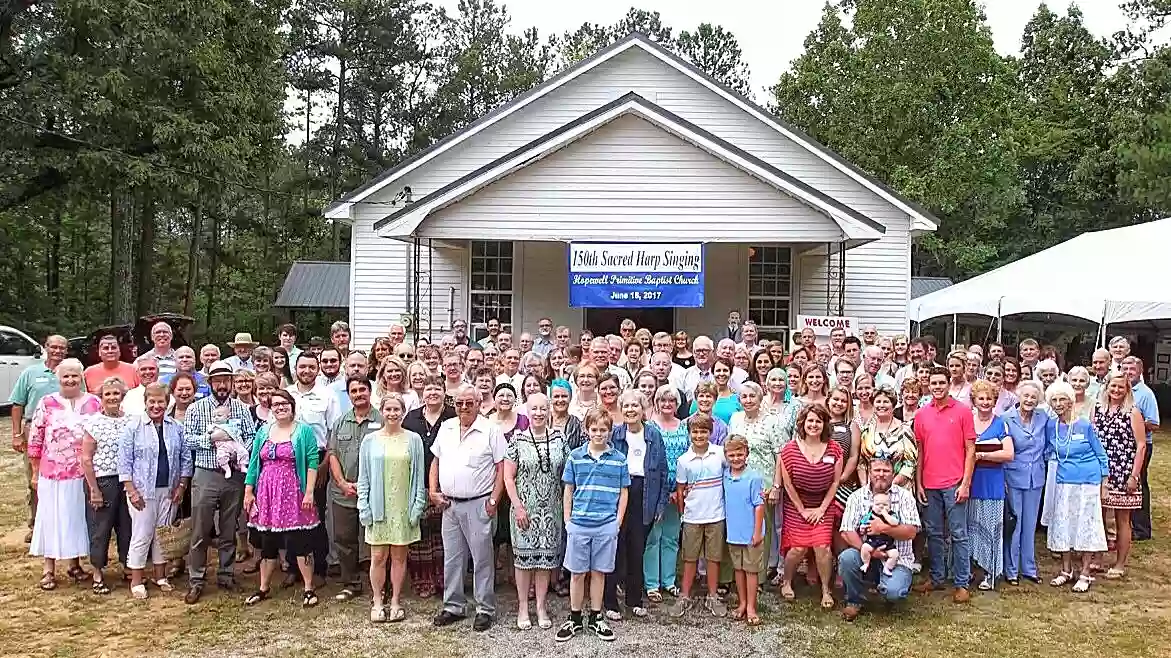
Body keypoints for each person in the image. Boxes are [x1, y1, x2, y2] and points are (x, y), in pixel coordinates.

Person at [430, 384, 507, 632]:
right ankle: (453, 606)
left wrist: (494, 500)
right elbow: (436, 460)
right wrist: (433, 491)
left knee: (482, 559)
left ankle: (485, 608)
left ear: (478, 403)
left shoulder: (490, 430)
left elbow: (501, 467)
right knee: (452, 558)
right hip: (449, 505)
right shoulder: (447, 427)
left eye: (469, 403)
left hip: (478, 503)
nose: (464, 407)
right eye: (459, 403)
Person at [182, 360, 260, 604]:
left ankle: (226, 575)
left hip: (233, 474)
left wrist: (238, 451)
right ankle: (196, 579)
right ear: (211, 383)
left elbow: (251, 436)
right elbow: (188, 439)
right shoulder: (197, 408)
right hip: (206, 472)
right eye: (218, 381)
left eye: (226, 380)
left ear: (232, 382)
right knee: (200, 529)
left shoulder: (240, 408)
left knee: (229, 528)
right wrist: (212, 441)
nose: (222, 385)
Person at [241, 389, 320, 607]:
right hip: (267, 494)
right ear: (271, 408)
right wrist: (249, 491)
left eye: (284, 403)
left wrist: (310, 491)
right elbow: (255, 464)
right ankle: (263, 587)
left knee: (300, 541)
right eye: (276, 404)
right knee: (268, 542)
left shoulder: (304, 431)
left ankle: (308, 588)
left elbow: (312, 462)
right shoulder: (264, 432)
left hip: (294, 492)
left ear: (292, 405)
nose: (280, 407)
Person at [556, 407, 629, 643]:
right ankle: (575, 617)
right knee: (577, 573)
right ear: (586, 431)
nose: (599, 434)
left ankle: (597, 617)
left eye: (604, 430)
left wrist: (617, 522)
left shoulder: (618, 459)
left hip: (606, 524)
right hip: (579, 523)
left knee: (599, 572)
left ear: (610, 431)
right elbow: (569, 489)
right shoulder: (575, 456)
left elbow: (623, 491)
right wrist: (568, 520)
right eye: (594, 429)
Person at [27, 358, 102, 589]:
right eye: (65, 376)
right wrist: (35, 472)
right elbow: (36, 438)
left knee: (76, 519)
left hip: (82, 474)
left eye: (74, 376)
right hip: (52, 473)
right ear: (58, 379)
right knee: (51, 518)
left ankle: (74, 564)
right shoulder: (47, 402)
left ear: (81, 378)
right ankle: (48, 569)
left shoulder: (94, 403)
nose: (70, 380)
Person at [358, 393, 426, 622]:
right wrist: (363, 506)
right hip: (378, 508)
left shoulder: (413, 440)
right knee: (378, 557)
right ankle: (378, 601)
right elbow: (364, 476)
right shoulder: (370, 441)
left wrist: (417, 506)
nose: (392, 414)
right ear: (382, 411)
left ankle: (396, 600)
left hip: (402, 509)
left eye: (397, 409)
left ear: (403, 412)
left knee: (399, 557)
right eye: (388, 409)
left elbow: (418, 476)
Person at [118, 382, 191, 599]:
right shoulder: (133, 427)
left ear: (167, 403)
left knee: (163, 533)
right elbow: (124, 462)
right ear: (145, 403)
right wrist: (131, 490)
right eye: (152, 401)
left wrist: (182, 485)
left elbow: (185, 458)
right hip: (142, 491)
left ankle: (161, 576)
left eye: (161, 401)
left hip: (169, 489)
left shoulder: (175, 427)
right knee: (142, 533)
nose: (156, 406)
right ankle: (137, 579)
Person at [503, 393, 569, 630]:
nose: (539, 413)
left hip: (552, 510)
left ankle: (541, 606)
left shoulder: (559, 438)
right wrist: (518, 506)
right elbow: (508, 478)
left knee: (544, 560)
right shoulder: (517, 440)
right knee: (523, 561)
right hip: (524, 511)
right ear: (527, 411)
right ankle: (523, 607)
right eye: (534, 409)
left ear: (549, 410)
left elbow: (568, 474)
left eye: (543, 408)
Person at [913, 366, 976, 603]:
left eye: (941, 382)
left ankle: (961, 583)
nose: (937, 387)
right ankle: (937, 578)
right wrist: (919, 483)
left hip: (954, 482)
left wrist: (966, 483)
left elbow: (971, 450)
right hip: (929, 483)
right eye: (933, 383)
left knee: (959, 534)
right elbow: (920, 452)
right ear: (928, 386)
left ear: (949, 384)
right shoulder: (921, 414)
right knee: (934, 533)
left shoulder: (962, 412)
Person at [604, 390, 667, 621]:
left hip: (645, 494)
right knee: (615, 550)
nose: (631, 410)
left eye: (635, 406)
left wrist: (660, 504)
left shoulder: (654, 435)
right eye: (627, 406)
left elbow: (662, 471)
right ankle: (610, 601)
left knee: (637, 550)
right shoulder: (615, 435)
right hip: (619, 495)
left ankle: (634, 600)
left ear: (644, 409)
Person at [777, 403, 843, 609]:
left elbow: (835, 482)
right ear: (803, 424)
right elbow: (787, 484)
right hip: (797, 504)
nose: (814, 425)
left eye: (818, 421)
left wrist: (822, 509)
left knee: (822, 547)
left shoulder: (835, 449)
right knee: (797, 549)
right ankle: (787, 581)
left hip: (823, 503)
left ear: (824, 424)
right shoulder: (788, 450)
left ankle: (826, 589)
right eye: (810, 421)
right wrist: (802, 510)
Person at [837, 457, 920, 621]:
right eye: (877, 470)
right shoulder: (857, 497)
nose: (881, 474)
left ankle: (886, 589)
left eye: (886, 471)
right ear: (869, 472)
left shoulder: (905, 497)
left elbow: (911, 531)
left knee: (894, 592)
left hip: (898, 559)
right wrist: (869, 551)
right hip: (866, 552)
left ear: (893, 473)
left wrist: (882, 528)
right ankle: (854, 600)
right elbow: (846, 531)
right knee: (847, 559)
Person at [1044, 382, 1108, 592]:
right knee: (1064, 524)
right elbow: (1047, 450)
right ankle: (1066, 570)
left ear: (1071, 401)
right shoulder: (1051, 426)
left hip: (1088, 481)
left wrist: (1104, 482)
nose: (1059, 403)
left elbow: (1100, 454)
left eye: (1063, 399)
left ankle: (1086, 573)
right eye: (1054, 400)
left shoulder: (1084, 425)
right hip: (1064, 481)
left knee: (1086, 525)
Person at [327, 376, 383, 602]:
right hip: (344, 492)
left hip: (375, 492)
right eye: (354, 391)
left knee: (376, 540)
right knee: (344, 538)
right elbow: (332, 454)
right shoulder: (341, 421)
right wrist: (341, 482)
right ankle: (351, 582)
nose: (359, 394)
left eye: (362, 389)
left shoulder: (382, 419)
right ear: (348, 394)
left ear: (370, 392)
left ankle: (379, 585)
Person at [10, 333, 70, 543]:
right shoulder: (31, 373)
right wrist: (17, 434)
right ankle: (35, 524)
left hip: (64, 435)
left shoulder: (70, 372)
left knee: (63, 479)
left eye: (62, 348)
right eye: (53, 347)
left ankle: (61, 523)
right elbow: (17, 404)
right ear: (45, 347)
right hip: (34, 432)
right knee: (34, 479)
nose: (57, 351)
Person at [669, 412, 728, 619]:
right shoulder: (684, 460)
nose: (699, 436)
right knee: (690, 557)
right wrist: (683, 513)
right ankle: (684, 595)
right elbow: (680, 489)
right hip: (693, 516)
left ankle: (712, 596)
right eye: (695, 432)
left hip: (716, 514)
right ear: (689, 434)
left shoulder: (720, 454)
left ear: (710, 433)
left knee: (713, 557)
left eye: (704, 432)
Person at [402, 376, 456, 599]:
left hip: (447, 483)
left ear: (444, 392)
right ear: (421, 393)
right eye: (428, 388)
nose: (432, 392)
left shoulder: (452, 416)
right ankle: (423, 580)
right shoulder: (412, 418)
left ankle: (444, 579)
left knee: (444, 536)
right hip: (417, 483)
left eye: (437, 388)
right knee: (421, 534)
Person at [79, 376, 133, 594]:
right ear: (101, 398)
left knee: (126, 526)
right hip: (103, 481)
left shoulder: (131, 420)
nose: (112, 397)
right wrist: (94, 489)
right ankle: (98, 572)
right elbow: (86, 458)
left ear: (122, 396)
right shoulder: (93, 422)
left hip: (126, 480)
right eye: (107, 394)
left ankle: (128, 567)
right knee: (100, 528)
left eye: (116, 393)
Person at [1094, 372, 1146, 579]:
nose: (1116, 391)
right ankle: (1096, 557)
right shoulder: (1098, 409)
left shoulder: (1132, 412)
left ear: (1127, 390)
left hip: (1124, 470)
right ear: (1106, 387)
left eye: (1121, 387)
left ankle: (1120, 563)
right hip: (1100, 470)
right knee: (1098, 516)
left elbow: (1141, 445)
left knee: (1122, 518)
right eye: (1112, 386)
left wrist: (1134, 475)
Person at [728, 381, 781, 580]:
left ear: (760, 399)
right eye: (744, 397)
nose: (748, 400)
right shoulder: (735, 419)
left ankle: (758, 576)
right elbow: (730, 450)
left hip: (763, 486)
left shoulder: (772, 421)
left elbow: (780, 456)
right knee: (739, 527)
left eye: (752, 396)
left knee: (761, 531)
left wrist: (776, 486)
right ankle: (739, 573)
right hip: (737, 484)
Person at [643, 385, 689, 601]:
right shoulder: (650, 427)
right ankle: (651, 583)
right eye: (663, 400)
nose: (667, 404)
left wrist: (680, 490)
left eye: (671, 400)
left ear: (677, 404)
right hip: (655, 492)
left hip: (678, 492)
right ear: (657, 403)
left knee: (671, 537)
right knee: (653, 537)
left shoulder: (684, 427)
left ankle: (668, 581)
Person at [968, 380, 1014, 591]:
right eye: (981, 399)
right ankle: (967, 569)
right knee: (969, 526)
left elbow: (1009, 453)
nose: (985, 402)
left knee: (990, 526)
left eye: (989, 399)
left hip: (992, 481)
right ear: (974, 401)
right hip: (970, 479)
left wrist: (983, 454)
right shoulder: (967, 421)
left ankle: (990, 571)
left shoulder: (1000, 423)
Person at [1001, 380, 1047, 585]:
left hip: (1035, 477)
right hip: (1013, 476)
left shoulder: (1043, 418)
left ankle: (1029, 568)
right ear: (1019, 396)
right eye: (1026, 396)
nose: (1029, 400)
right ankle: (1010, 570)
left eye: (1033, 398)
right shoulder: (1006, 418)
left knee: (1030, 524)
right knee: (1015, 523)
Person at [722, 436, 766, 626]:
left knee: (751, 570)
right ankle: (742, 603)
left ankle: (751, 607)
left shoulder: (754, 477)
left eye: (740, 454)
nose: (736, 458)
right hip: (734, 532)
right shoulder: (725, 475)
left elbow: (759, 505)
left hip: (750, 533)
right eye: (731, 455)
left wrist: (757, 532)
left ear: (747, 453)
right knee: (738, 569)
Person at [1122, 356, 1158, 541]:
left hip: (1141, 445)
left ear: (1140, 371)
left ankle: (1142, 529)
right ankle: (1129, 524)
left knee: (1139, 483)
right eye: (1124, 369)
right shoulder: (1121, 390)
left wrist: (1135, 422)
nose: (1128, 373)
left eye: (1132, 369)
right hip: (1123, 445)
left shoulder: (1145, 393)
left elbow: (1154, 424)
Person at [549, 379, 585, 451]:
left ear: (570, 398)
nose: (560, 400)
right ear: (551, 398)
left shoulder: (577, 424)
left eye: (564, 396)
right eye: (556, 396)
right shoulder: (544, 420)